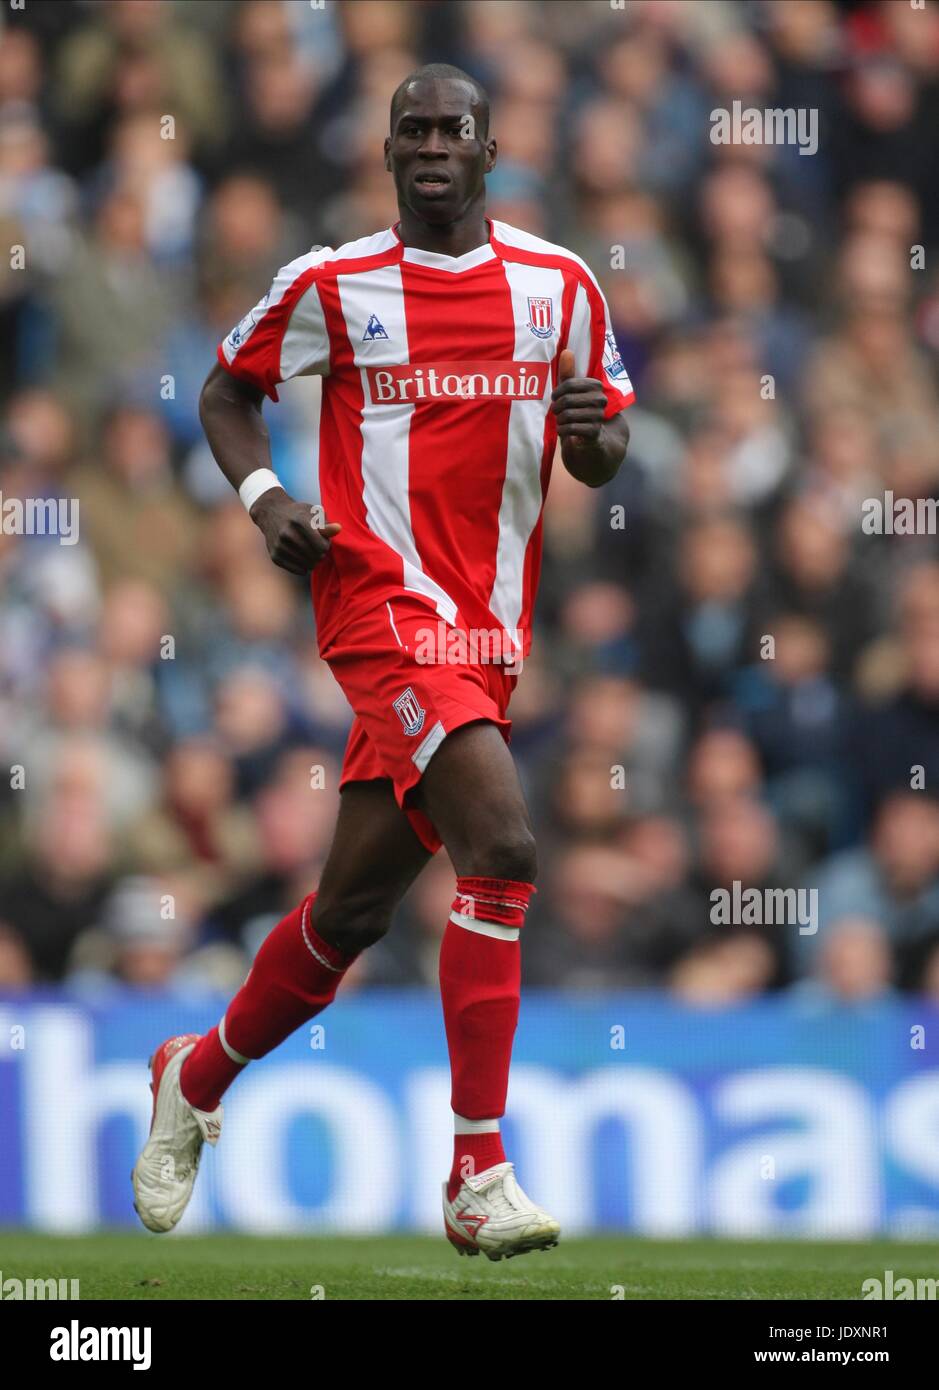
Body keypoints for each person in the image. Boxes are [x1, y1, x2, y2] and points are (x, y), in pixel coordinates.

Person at [132, 64, 632, 1261]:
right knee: (503, 844)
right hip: (378, 610)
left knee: (350, 912)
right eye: (412, 129)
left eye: (454, 130)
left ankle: (192, 1076)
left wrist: (596, 441)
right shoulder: (332, 283)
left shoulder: (559, 285)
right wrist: (264, 501)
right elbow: (224, 388)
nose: (432, 146)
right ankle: (477, 1166)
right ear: (388, 149)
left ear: (490, 151)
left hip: (488, 640)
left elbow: (606, 440)